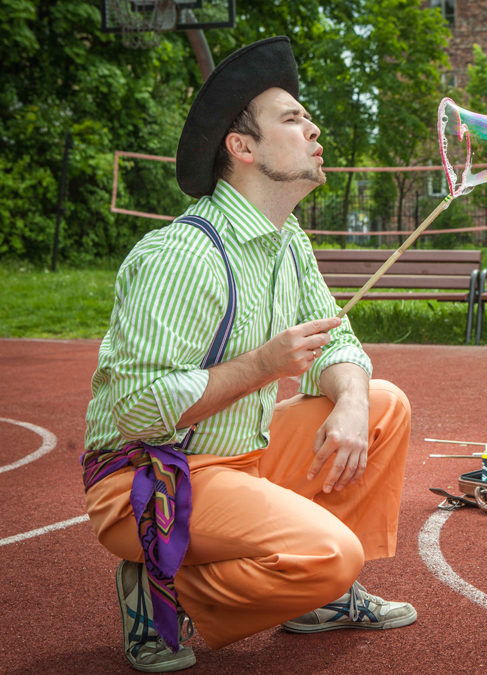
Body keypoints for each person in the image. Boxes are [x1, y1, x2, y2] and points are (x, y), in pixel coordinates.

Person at [80, 36, 415, 672]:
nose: (313, 127)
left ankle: (319, 601)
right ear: (243, 147)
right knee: (329, 554)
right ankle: (160, 584)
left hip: (240, 458)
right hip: (152, 477)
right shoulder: (183, 256)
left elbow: (336, 342)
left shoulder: (288, 242)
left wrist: (345, 399)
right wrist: (262, 365)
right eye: (292, 118)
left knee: (380, 404)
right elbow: (134, 412)